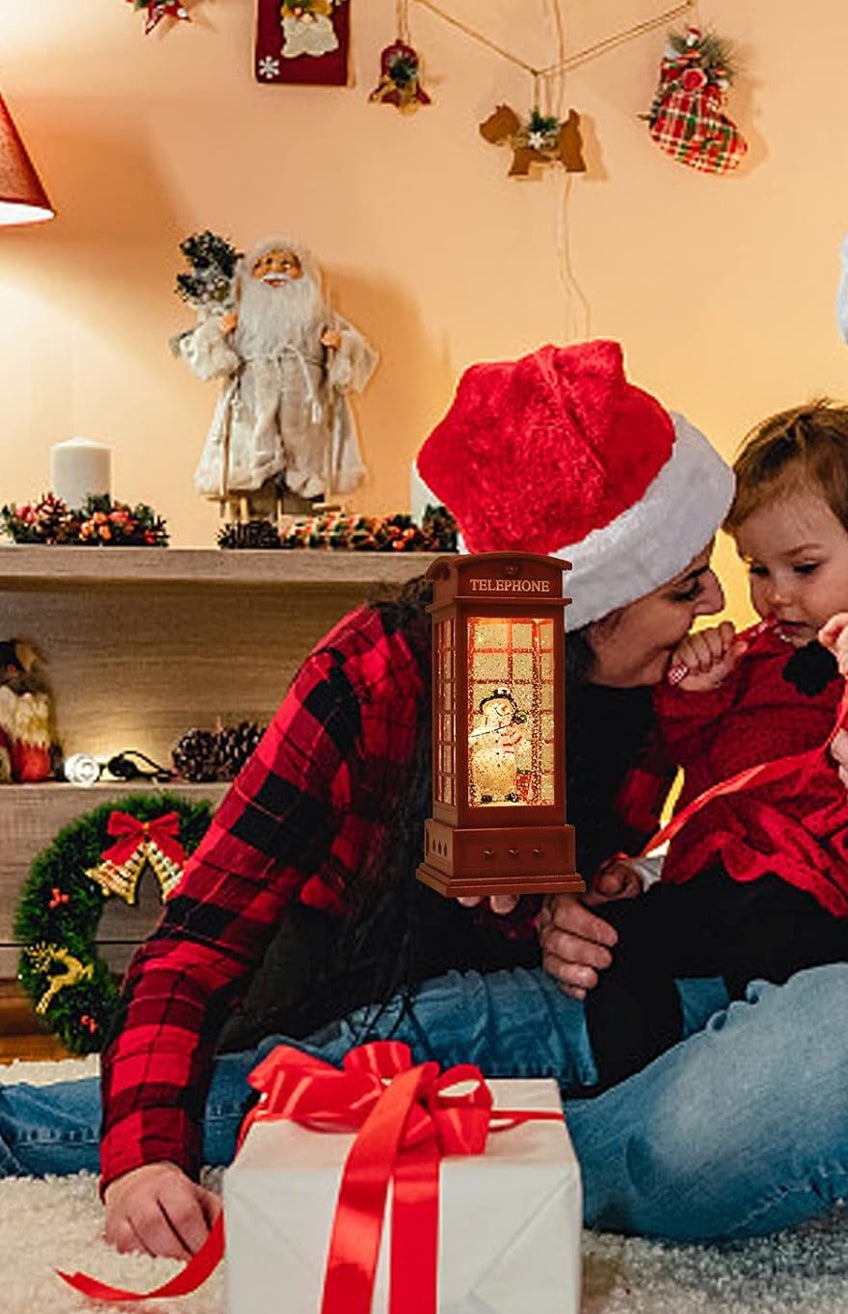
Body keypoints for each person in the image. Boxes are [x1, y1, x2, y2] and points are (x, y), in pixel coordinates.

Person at [3, 144, 848, 1256]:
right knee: (461, 1027)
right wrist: (613, 886)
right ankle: (61, 1131)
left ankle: (391, 1185)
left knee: (760, 1088)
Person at [0, 338, 735, 1257]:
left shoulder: (652, 692)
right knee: (248, 1087)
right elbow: (197, 939)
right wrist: (144, 1158)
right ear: (587, 608)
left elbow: (624, 876)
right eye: (684, 584)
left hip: (493, 1005)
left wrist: (563, 907)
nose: (716, 600)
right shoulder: (372, 675)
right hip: (325, 977)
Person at [582, 401, 848, 1089]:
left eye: (804, 568)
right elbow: (696, 761)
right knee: (616, 942)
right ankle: (636, 1091)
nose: (775, 596)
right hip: (714, 870)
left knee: (776, 965)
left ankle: (749, 1093)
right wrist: (695, 692)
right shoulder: (753, 653)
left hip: (809, 882)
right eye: (758, 569)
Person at [175, 236, 377, 518]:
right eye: (266, 263)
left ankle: (303, 531)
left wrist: (342, 344)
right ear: (250, 273)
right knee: (253, 496)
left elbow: (362, 356)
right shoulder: (239, 314)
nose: (276, 270)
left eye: (287, 264)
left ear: (304, 272)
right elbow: (205, 358)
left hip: (304, 415)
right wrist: (217, 332)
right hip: (251, 411)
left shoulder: (320, 315)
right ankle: (253, 530)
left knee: (305, 490)